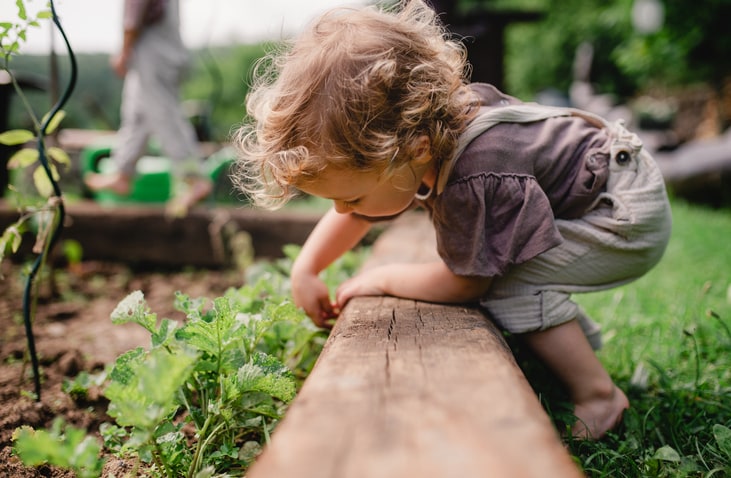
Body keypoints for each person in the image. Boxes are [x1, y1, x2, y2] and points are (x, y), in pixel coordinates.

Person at [231, 0, 672, 440]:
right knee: (507, 269)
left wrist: (384, 278)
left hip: (624, 215)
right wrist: (307, 267)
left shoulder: (476, 172)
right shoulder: (427, 132)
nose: (344, 210)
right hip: (610, 186)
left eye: (351, 197)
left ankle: (599, 395)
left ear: (416, 150)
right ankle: (563, 350)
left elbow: (467, 282)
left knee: (507, 283)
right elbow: (361, 213)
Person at [84, 0, 212, 215]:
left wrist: (124, 49)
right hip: (157, 46)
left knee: (164, 116)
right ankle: (122, 173)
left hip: (155, 50)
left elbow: (135, 11)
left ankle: (194, 178)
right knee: (137, 112)